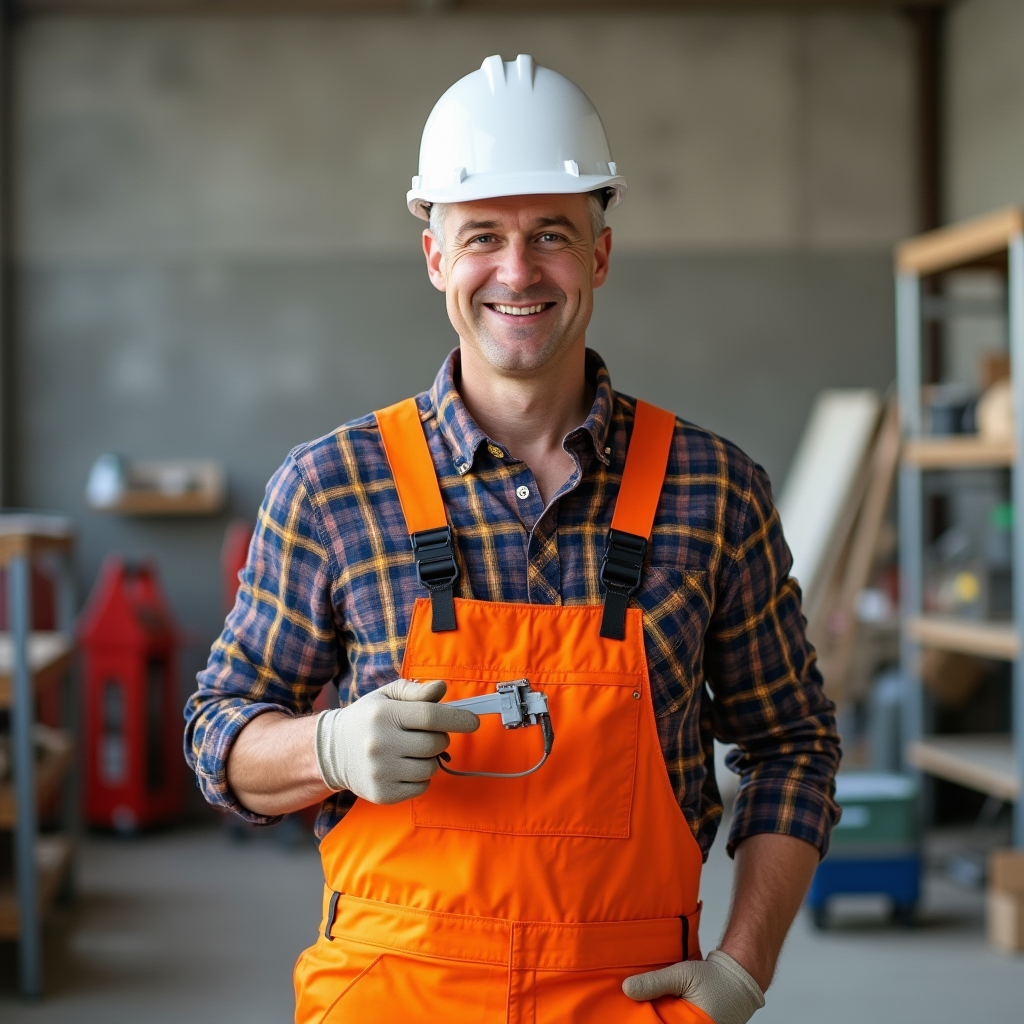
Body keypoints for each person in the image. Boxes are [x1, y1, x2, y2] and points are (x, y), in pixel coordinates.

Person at [185, 54, 840, 1024]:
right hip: (393, 994)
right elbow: (215, 733)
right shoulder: (330, 485)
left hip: (622, 1000)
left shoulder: (712, 490)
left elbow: (793, 744)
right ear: (436, 258)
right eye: (482, 235)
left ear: (601, 255)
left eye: (552, 236)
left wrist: (744, 967)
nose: (517, 270)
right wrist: (325, 745)